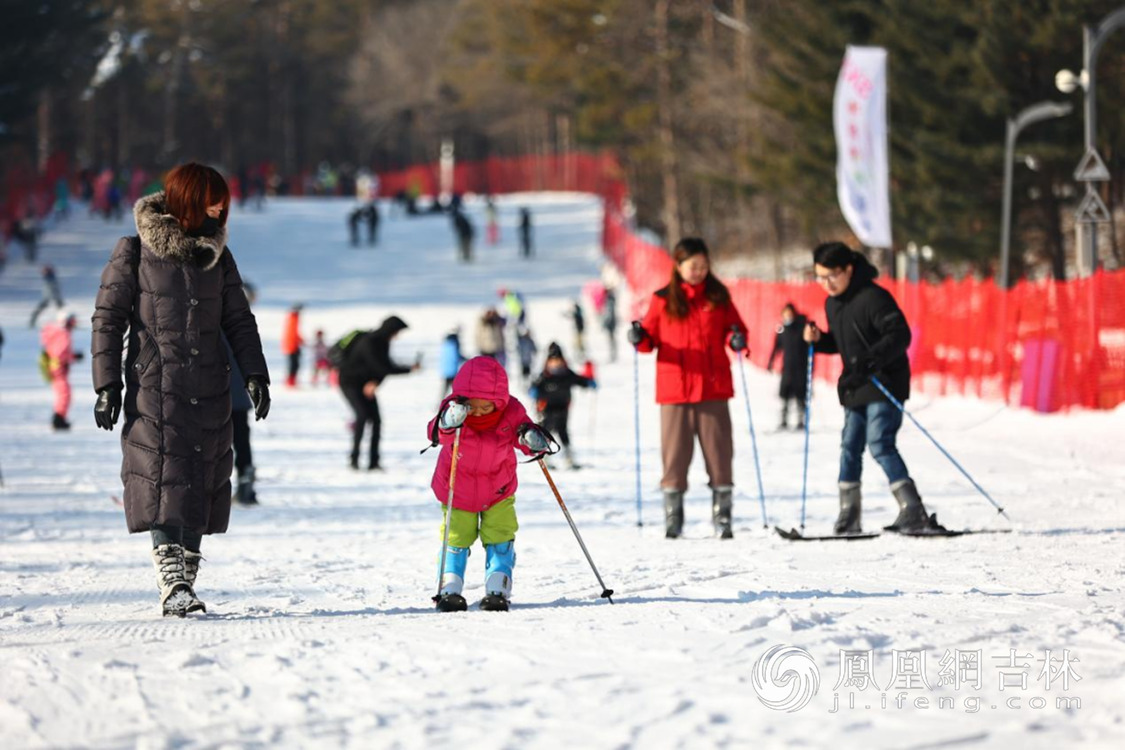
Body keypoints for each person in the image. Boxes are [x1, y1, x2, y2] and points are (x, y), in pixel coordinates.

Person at [91, 162, 270, 617]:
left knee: (201, 479)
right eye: (214, 199)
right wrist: (107, 383)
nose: (221, 208)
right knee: (161, 475)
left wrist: (255, 373)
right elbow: (107, 320)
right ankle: (172, 580)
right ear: (189, 198)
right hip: (156, 386)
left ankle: (184, 580)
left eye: (223, 201)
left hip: (209, 385)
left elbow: (238, 320)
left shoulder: (218, 256)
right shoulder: (133, 252)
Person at [802, 242, 937, 535]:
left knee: (879, 442)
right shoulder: (833, 303)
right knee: (850, 446)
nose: (826, 283)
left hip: (884, 381)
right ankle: (849, 513)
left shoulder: (873, 297)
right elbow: (842, 342)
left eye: (832, 276)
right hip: (856, 383)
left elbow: (900, 334)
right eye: (820, 277)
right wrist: (818, 339)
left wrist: (872, 361)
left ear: (848, 269)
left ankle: (913, 508)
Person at [628, 237, 748, 539]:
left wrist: (737, 339)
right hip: (675, 389)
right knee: (675, 455)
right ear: (678, 266)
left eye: (704, 266)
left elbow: (738, 329)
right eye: (693, 266)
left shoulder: (718, 296)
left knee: (720, 454)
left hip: (713, 388)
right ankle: (673, 516)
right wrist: (638, 336)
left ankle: (723, 516)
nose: (699, 271)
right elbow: (648, 341)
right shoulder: (662, 300)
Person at [428, 356, 553, 612]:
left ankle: (498, 584)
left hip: (498, 489)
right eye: (473, 407)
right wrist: (448, 422)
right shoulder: (454, 412)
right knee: (456, 536)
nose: (479, 413)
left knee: (500, 534)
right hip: (458, 490)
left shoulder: (511, 412)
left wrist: (532, 439)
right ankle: (449, 586)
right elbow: (435, 434)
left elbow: (524, 435)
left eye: (487, 407)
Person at [336, 315, 420, 470]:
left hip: (365, 385)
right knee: (362, 416)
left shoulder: (383, 343)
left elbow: (383, 368)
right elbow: (382, 368)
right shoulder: (369, 342)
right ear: (390, 330)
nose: (397, 336)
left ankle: (373, 462)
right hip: (349, 382)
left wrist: (375, 382)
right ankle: (354, 460)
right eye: (397, 332)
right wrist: (408, 369)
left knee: (376, 420)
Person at [530, 342, 595, 469]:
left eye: (558, 361)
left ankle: (569, 458)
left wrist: (589, 382)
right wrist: (534, 392)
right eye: (552, 361)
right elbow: (534, 387)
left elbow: (580, 380)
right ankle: (545, 458)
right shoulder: (544, 377)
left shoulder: (567, 374)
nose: (555, 364)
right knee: (546, 433)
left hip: (563, 408)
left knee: (563, 432)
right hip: (547, 409)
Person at [767, 303, 810, 430]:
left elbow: (808, 347)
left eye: (789, 314)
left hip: (801, 367)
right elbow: (777, 347)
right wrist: (771, 362)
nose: (787, 317)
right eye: (785, 314)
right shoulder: (783, 330)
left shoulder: (801, 328)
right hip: (787, 368)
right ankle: (784, 420)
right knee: (785, 395)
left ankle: (801, 420)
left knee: (800, 396)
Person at [40, 311, 83, 430]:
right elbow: (60, 354)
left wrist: (72, 356)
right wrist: (73, 357)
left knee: (62, 393)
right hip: (59, 368)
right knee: (64, 394)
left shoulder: (56, 332)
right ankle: (58, 418)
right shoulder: (63, 334)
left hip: (55, 367)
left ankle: (59, 417)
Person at [439, 327, 466, 401]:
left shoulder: (446, 343)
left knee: (445, 389)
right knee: (457, 389)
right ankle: (461, 403)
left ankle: (440, 403)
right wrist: (465, 359)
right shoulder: (455, 343)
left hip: (445, 369)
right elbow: (456, 356)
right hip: (453, 369)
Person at [282, 304, 304, 387]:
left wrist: (300, 340)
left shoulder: (293, 319)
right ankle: (290, 381)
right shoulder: (293, 318)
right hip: (291, 346)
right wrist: (299, 340)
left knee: (294, 364)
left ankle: (292, 381)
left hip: (292, 345)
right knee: (293, 364)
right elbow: (292, 333)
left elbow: (294, 333)